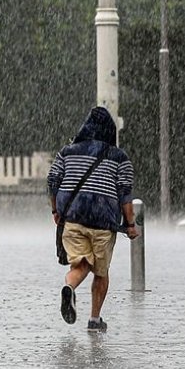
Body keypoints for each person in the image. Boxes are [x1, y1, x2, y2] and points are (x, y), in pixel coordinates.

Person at [47, 107, 139, 332]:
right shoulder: (119, 158)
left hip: (74, 218)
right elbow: (124, 194)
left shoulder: (67, 152)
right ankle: (94, 320)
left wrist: (56, 211)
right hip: (103, 222)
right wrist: (130, 225)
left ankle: (69, 286)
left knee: (81, 264)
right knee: (101, 271)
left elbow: (52, 181)